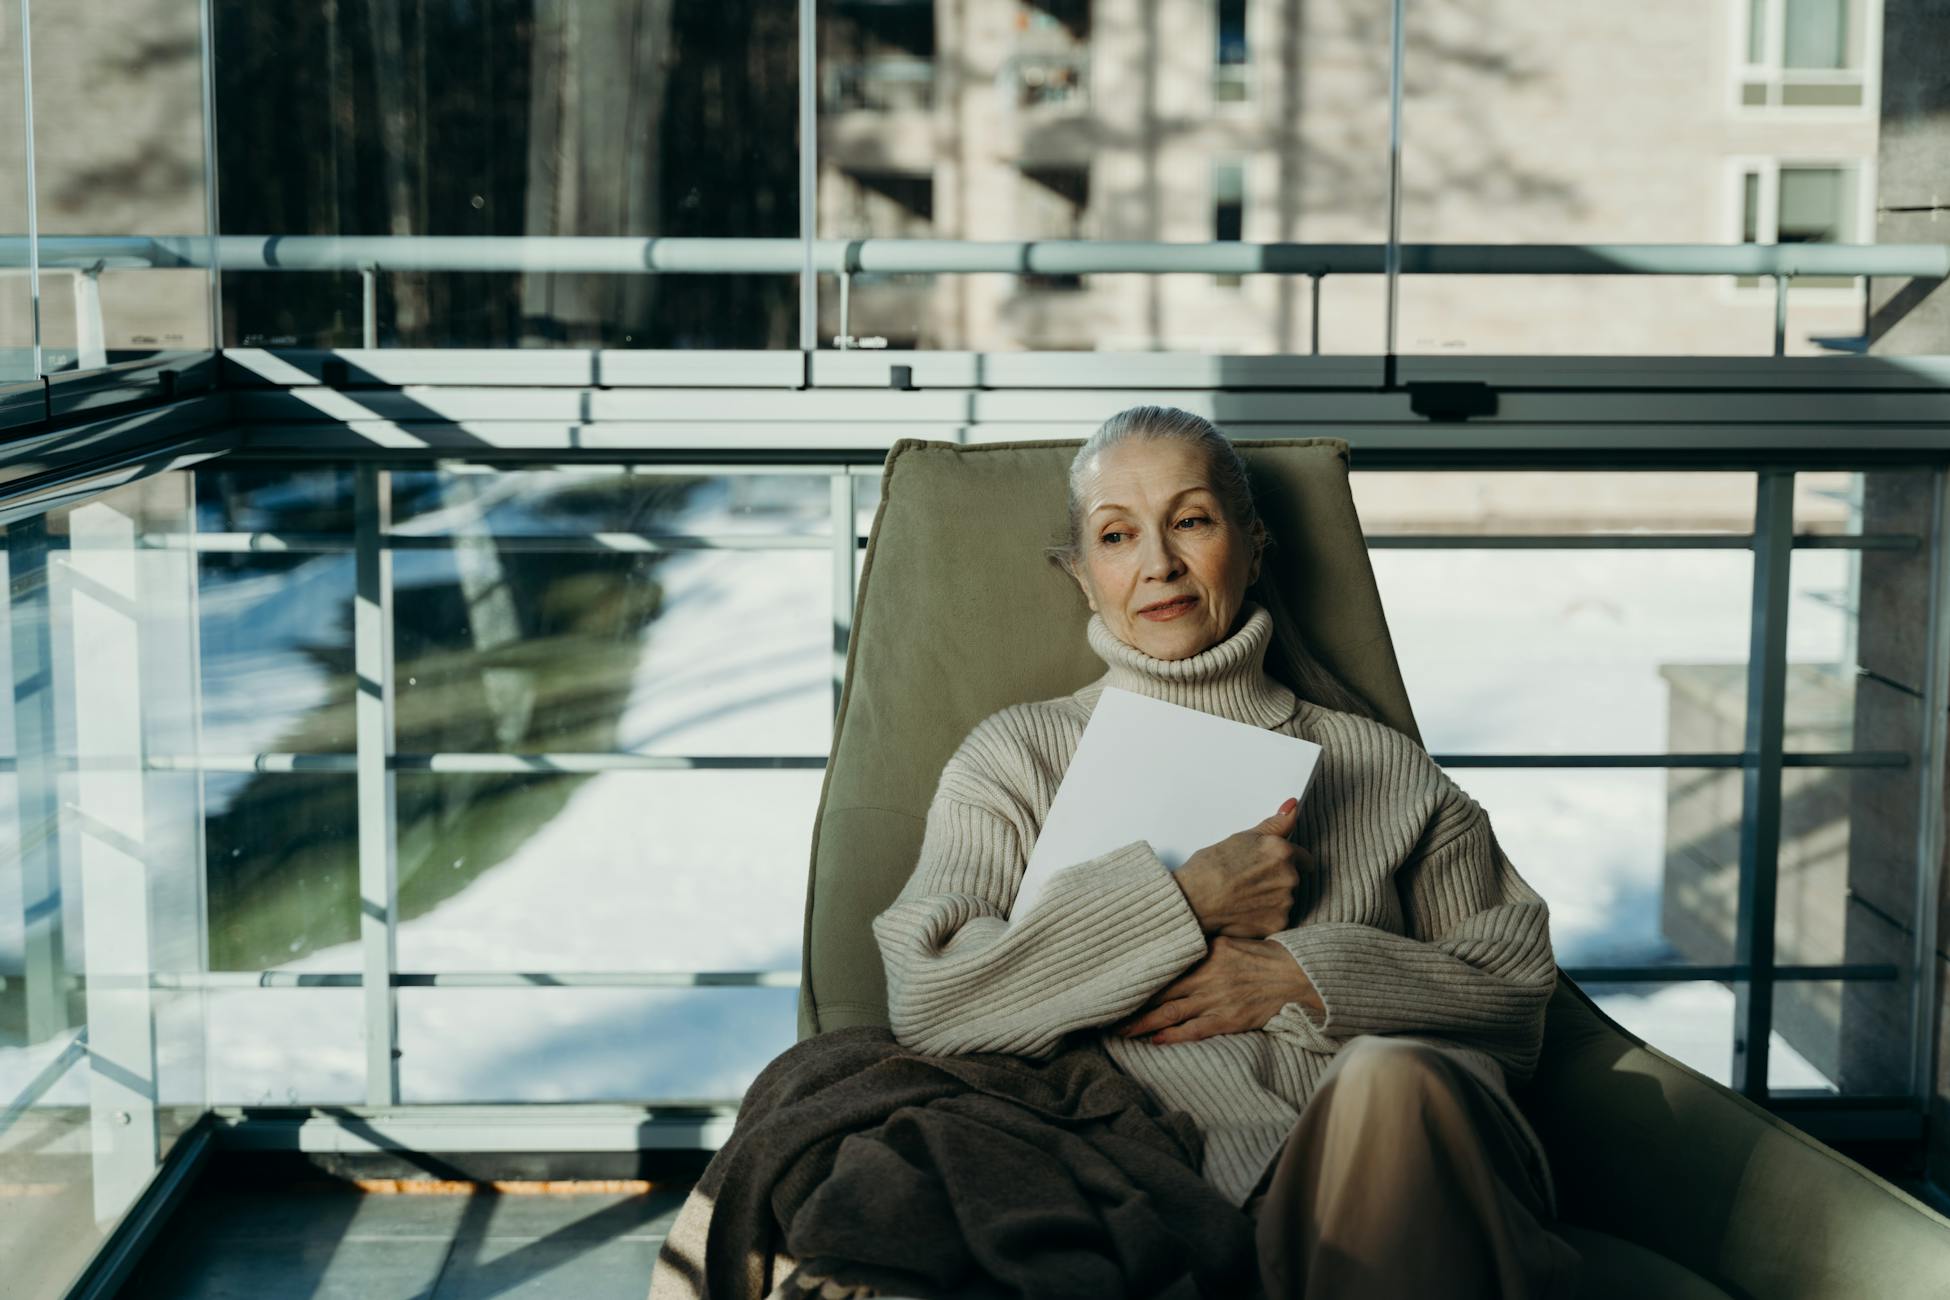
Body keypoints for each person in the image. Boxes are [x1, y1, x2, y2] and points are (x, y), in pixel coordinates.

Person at [871, 404, 1584, 1299]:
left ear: (1253, 545)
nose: (1158, 563)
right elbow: (932, 999)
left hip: (1406, 1158)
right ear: (1084, 576)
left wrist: (1300, 973)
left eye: (1193, 521)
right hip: (1179, 1181)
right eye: (1117, 535)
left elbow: (1516, 993)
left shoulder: (1380, 763)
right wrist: (1185, 901)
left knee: (1389, 1078)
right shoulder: (1017, 757)